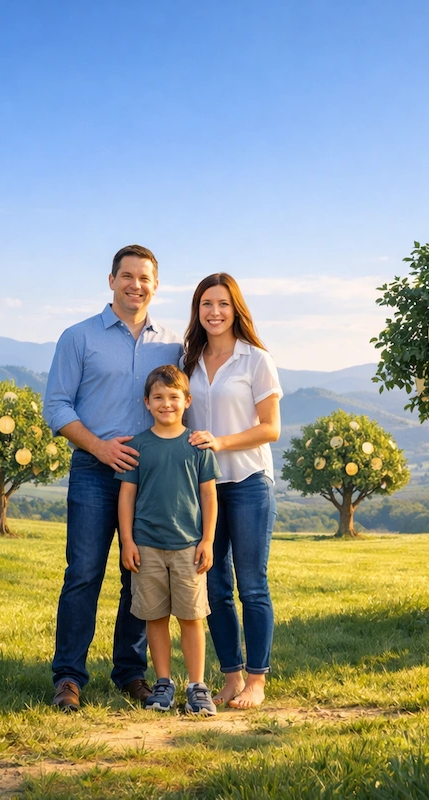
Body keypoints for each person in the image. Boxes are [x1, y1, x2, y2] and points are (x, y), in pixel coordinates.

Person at [44, 244, 182, 712]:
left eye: (144, 278)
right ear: (111, 281)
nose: (135, 285)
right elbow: (56, 406)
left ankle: (130, 673)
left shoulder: (173, 345)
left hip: (151, 479)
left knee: (139, 574)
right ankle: (68, 677)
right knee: (83, 573)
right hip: (93, 470)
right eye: (127, 276)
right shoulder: (78, 337)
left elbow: (181, 403)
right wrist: (99, 447)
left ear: (155, 285)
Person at [183, 273, 282, 709]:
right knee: (215, 586)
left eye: (223, 303)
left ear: (235, 308)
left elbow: (271, 428)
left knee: (252, 585)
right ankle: (231, 677)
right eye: (207, 304)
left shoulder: (256, 360)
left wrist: (220, 442)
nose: (215, 312)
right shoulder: (188, 359)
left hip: (247, 482)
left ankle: (256, 681)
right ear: (197, 310)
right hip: (203, 488)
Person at [117, 365, 221, 715]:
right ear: (146, 402)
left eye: (173, 397)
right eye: (158, 397)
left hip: (189, 547)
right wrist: (127, 542)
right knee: (155, 617)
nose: (166, 404)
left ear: (187, 401)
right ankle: (163, 683)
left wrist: (207, 541)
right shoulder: (137, 446)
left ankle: (197, 686)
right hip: (146, 547)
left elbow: (209, 496)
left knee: (192, 617)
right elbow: (127, 497)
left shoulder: (198, 446)